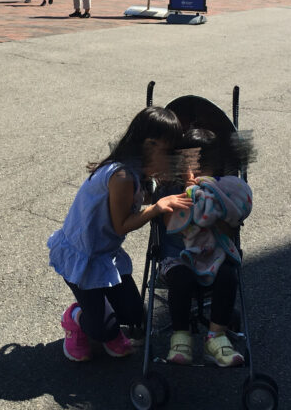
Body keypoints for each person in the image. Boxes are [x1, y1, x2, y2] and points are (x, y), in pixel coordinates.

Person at [47, 106, 191, 362]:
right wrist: (157, 207)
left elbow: (140, 196)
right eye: (169, 152)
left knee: (133, 314)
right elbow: (120, 226)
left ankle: (105, 321)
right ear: (149, 144)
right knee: (103, 329)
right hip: (83, 255)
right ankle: (76, 318)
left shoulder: (137, 170)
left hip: (104, 253)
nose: (173, 159)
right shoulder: (122, 176)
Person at [161, 128, 251, 368]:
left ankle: (216, 336)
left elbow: (230, 228)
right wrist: (189, 194)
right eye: (192, 165)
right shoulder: (171, 187)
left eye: (204, 166)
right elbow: (169, 224)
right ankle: (181, 336)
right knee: (180, 279)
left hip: (214, 254)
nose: (198, 172)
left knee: (227, 277)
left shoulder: (221, 189)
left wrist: (211, 206)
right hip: (178, 256)